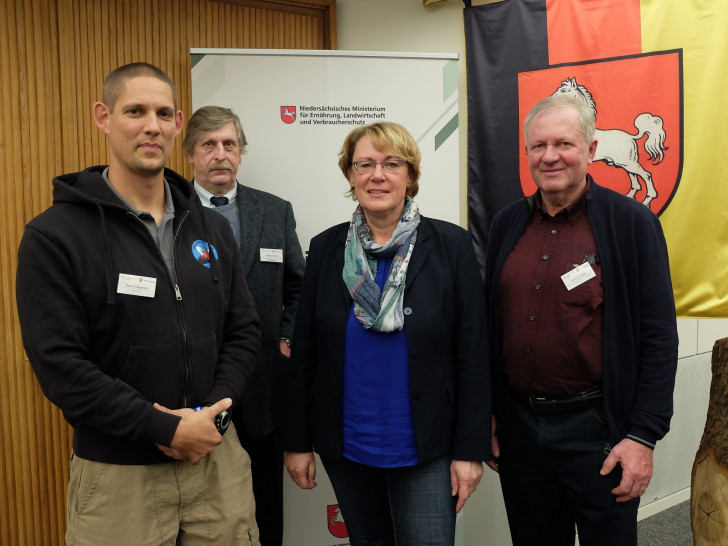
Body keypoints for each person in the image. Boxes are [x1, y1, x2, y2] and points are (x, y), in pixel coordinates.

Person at [15, 62, 262, 545]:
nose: (151, 125)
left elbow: (243, 329)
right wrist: (163, 428)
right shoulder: (54, 235)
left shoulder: (209, 227)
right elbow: (59, 364)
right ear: (103, 117)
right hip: (119, 476)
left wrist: (213, 414)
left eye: (163, 113)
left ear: (177, 123)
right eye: (135, 111)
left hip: (217, 462)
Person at [283, 121, 491, 546]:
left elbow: (473, 353)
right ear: (350, 175)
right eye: (365, 164)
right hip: (349, 443)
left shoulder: (450, 246)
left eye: (391, 163)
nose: (377, 175)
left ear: (410, 175)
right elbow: (305, 352)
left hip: (426, 445)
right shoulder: (326, 249)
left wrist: (471, 450)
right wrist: (297, 441)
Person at [484, 95, 678, 545]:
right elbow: (491, 328)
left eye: (563, 143)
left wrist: (642, 438)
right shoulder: (505, 224)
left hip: (598, 432)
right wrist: (488, 413)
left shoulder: (631, 223)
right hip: (520, 430)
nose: (549, 156)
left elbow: (658, 337)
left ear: (591, 150)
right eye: (538, 146)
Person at [183, 105, 306, 546]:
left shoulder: (274, 211)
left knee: (264, 517)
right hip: (189, 395)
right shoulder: (166, 212)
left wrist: (286, 337)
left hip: (261, 394)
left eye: (229, 144)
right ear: (190, 155)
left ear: (241, 152)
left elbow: (298, 289)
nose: (220, 154)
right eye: (208, 145)